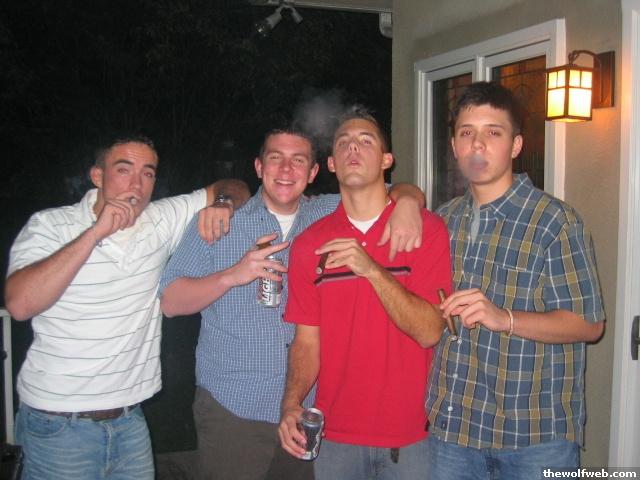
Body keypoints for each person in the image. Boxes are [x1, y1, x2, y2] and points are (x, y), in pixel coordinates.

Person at [159, 126, 426, 480]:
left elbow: (391, 190)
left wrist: (407, 202)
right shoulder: (220, 221)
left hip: (306, 412)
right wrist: (233, 275)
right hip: (232, 409)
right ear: (258, 167)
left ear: (313, 172)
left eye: (298, 161)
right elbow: (170, 301)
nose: (286, 169)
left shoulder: (329, 213)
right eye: (276, 158)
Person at [4, 135, 248, 480]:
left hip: (130, 421)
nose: (136, 184)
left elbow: (235, 186)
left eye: (147, 173)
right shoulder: (51, 225)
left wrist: (222, 203)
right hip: (59, 424)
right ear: (97, 176)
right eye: (124, 170)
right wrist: (95, 233)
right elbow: (19, 304)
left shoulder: (161, 218)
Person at [426, 82, 606, 479]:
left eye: (493, 132)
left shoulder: (555, 222)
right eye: (467, 132)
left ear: (516, 145)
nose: (477, 145)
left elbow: (589, 325)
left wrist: (503, 317)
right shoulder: (442, 220)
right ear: (454, 146)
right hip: (453, 432)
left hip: (534, 439)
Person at [277, 109, 451, 480]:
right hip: (335, 437)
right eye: (343, 143)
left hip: (410, 438)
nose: (353, 148)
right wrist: (291, 403)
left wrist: (371, 269)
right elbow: (306, 342)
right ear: (331, 164)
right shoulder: (309, 245)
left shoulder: (426, 230)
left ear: (387, 160)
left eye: (365, 141)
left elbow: (429, 331)